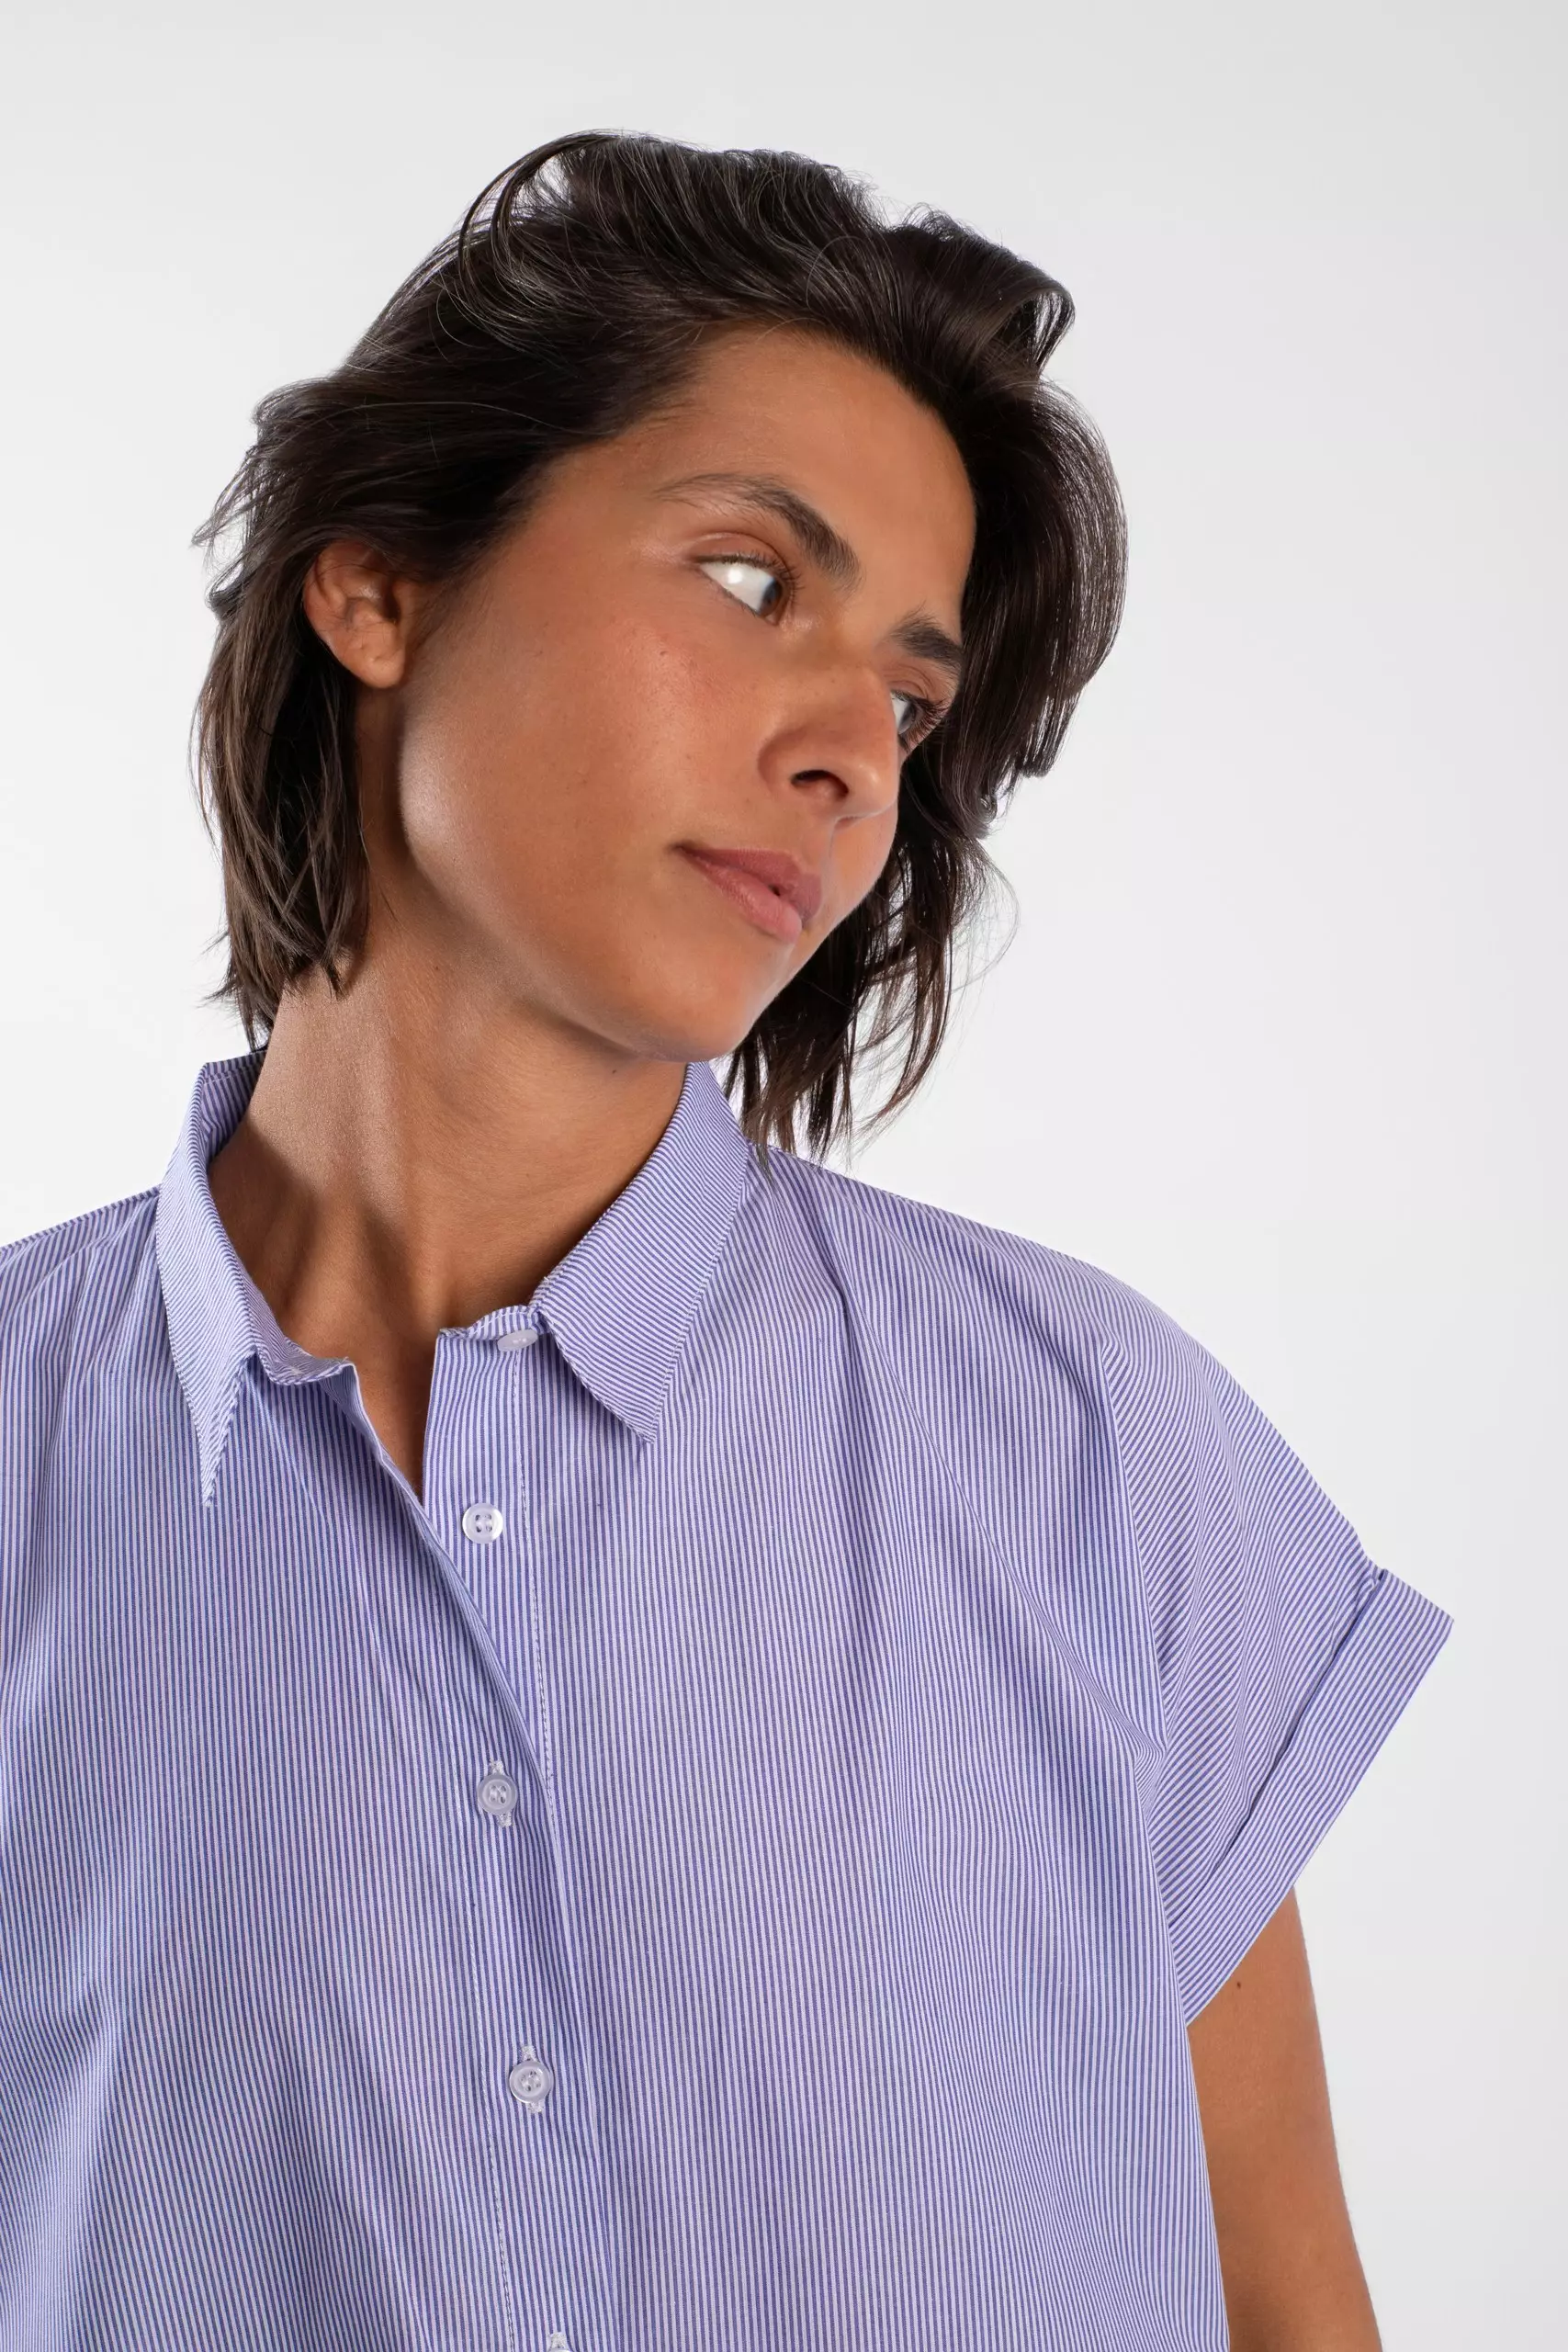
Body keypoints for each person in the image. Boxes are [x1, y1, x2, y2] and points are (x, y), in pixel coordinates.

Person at [0, 130, 1450, 2352]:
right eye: (755, 582)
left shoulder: (1093, 1448)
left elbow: (1287, 2305)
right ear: (379, 586)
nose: (851, 755)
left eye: (909, 698)